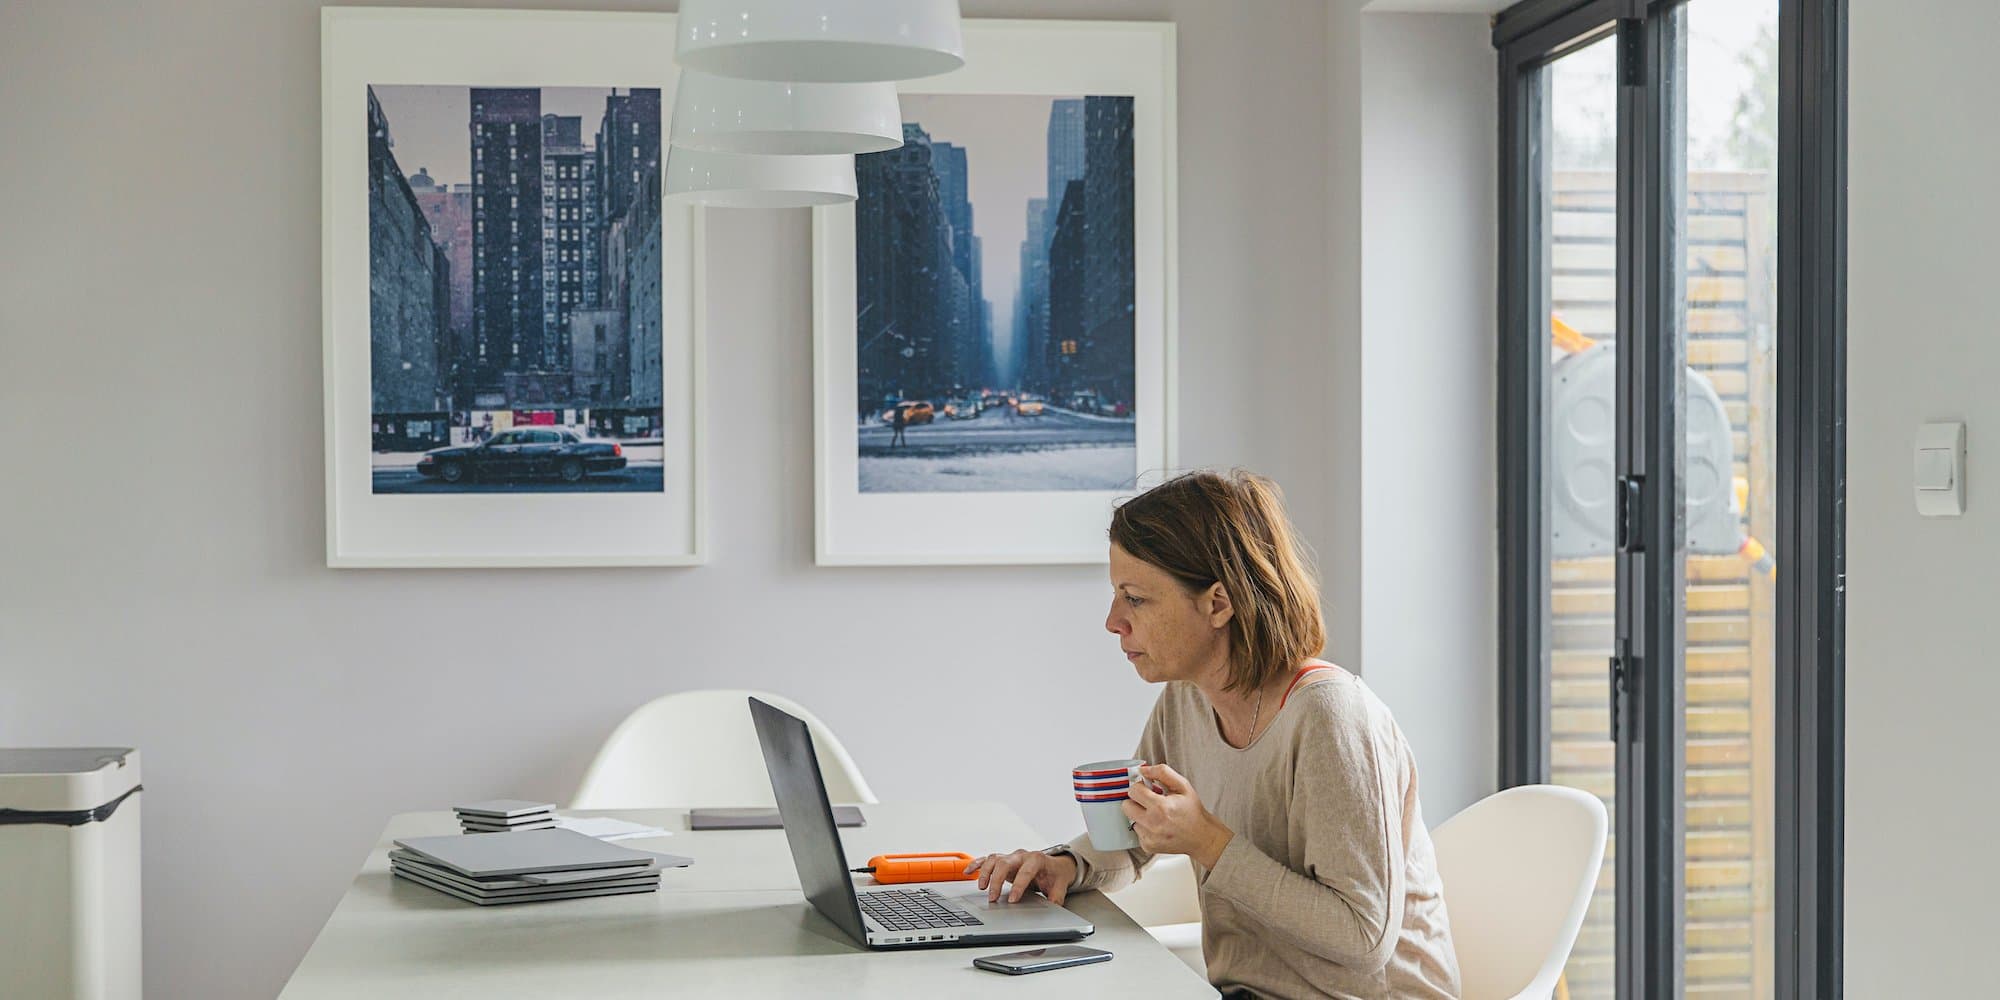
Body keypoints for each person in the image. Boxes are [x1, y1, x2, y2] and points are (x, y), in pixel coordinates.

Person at [966, 470, 1460, 1000]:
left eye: (1135, 598)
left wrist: (1207, 842)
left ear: (1218, 603)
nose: (1113, 621)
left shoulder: (1331, 718)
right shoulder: (1187, 700)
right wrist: (1062, 864)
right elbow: (1133, 839)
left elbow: (1365, 938)